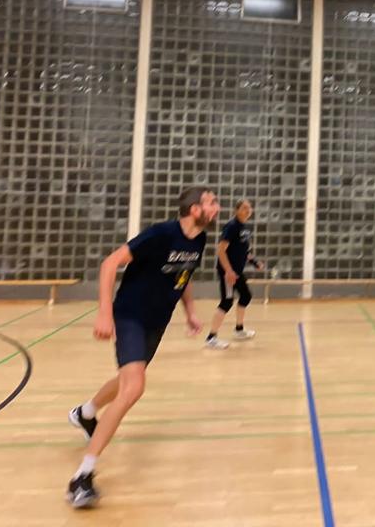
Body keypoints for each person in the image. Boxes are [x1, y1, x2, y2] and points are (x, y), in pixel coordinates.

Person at [66, 186, 220, 508]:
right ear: (194, 209)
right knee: (134, 387)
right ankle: (82, 477)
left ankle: (86, 413)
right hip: (130, 316)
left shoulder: (199, 240)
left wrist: (190, 311)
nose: (216, 207)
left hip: (156, 322)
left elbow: (183, 275)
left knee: (126, 380)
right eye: (211, 202)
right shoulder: (159, 234)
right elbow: (110, 264)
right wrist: (104, 312)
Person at [205, 199, 265, 349]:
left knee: (246, 296)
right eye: (244, 208)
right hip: (228, 272)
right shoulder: (231, 226)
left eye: (249, 208)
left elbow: (245, 250)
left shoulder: (246, 228)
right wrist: (229, 271)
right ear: (236, 210)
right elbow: (221, 251)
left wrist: (255, 262)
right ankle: (211, 338)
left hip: (237, 271)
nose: (248, 210)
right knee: (227, 302)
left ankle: (239, 330)